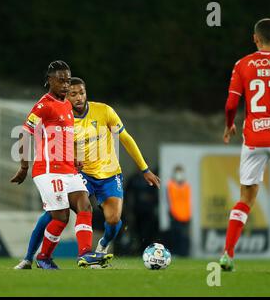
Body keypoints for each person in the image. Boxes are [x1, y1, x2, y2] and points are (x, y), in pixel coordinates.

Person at [14, 76, 160, 269]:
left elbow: (125, 138)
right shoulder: (62, 118)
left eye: (81, 93)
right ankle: (31, 256)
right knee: (55, 213)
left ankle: (101, 247)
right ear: (66, 96)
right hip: (80, 174)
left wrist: (145, 169)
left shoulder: (104, 111)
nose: (78, 97)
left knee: (114, 219)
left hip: (109, 173)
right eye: (73, 94)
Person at [10, 61, 112, 269]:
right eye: (61, 80)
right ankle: (43, 257)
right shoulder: (43, 106)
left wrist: (72, 159)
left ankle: (85, 254)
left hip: (68, 169)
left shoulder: (66, 104)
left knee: (85, 205)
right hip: (48, 171)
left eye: (68, 80)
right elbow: (24, 133)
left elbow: (61, 138)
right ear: (50, 80)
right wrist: (23, 166)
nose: (66, 85)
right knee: (61, 216)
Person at [220, 18, 270, 271]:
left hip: (254, 138)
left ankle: (227, 254)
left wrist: (229, 126)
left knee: (246, 198)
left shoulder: (243, 64)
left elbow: (230, 105)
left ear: (255, 39)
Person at [166, 165, 191, 257]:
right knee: (175, 236)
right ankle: (176, 253)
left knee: (185, 237)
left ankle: (185, 254)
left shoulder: (186, 186)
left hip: (186, 215)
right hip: (175, 215)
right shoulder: (171, 185)